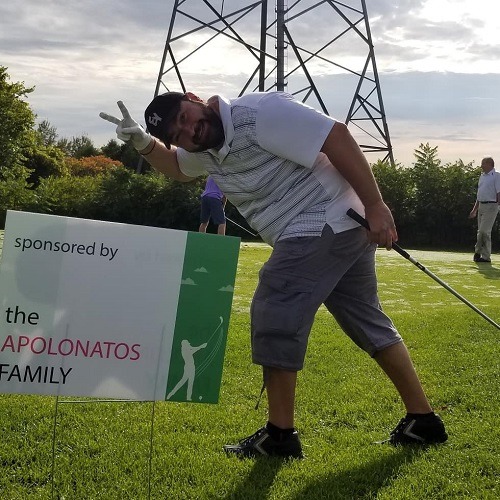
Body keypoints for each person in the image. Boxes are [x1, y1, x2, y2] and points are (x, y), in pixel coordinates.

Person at [100, 91, 448, 458]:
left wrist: (377, 205)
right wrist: (143, 143)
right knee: (366, 318)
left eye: (184, 116)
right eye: (178, 132)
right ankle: (422, 421)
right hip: (340, 225)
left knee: (274, 308)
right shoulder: (203, 150)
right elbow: (176, 166)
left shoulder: (260, 113)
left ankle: (280, 435)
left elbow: (337, 136)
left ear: (194, 99)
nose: (190, 131)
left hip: (323, 219)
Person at [468, 157, 500, 263]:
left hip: (492, 205)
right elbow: (479, 195)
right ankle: (478, 253)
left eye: (483, 164)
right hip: (482, 205)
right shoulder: (482, 176)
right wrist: (474, 210)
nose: (481, 166)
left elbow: (498, 193)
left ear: (490, 164)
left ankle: (485, 256)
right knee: (480, 232)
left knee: (484, 231)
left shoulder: (496, 176)